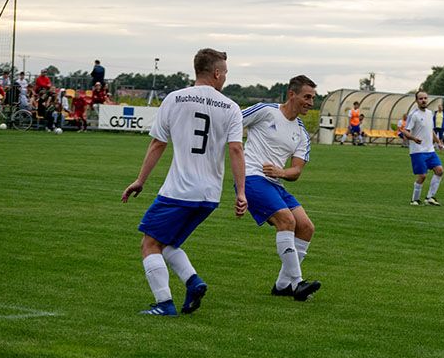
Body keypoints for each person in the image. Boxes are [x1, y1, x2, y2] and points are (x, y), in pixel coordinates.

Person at [122, 48, 247, 316]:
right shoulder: (231, 107)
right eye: (225, 72)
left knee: (149, 244)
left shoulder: (175, 99)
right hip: (209, 196)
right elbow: (236, 149)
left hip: (179, 191)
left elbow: (158, 144)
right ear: (216, 73)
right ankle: (193, 282)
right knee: (167, 243)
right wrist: (241, 193)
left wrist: (140, 180)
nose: (225, 77)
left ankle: (164, 303)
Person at [240, 75, 321, 301]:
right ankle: (297, 283)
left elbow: (296, 170)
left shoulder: (302, 132)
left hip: (276, 183)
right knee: (287, 221)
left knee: (306, 227)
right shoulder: (266, 111)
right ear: (291, 94)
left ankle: (282, 285)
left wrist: (281, 172)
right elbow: (232, 121)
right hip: (252, 177)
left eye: (313, 98)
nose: (310, 103)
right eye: (307, 97)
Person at [401, 90, 444, 206]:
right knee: (422, 176)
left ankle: (430, 198)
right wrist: (414, 138)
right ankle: (414, 200)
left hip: (430, 150)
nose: (423, 100)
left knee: (439, 171)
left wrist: (438, 142)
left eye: (425, 98)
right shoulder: (414, 115)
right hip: (418, 151)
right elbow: (405, 131)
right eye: (421, 99)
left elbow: (431, 130)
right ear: (416, 101)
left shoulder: (430, 113)